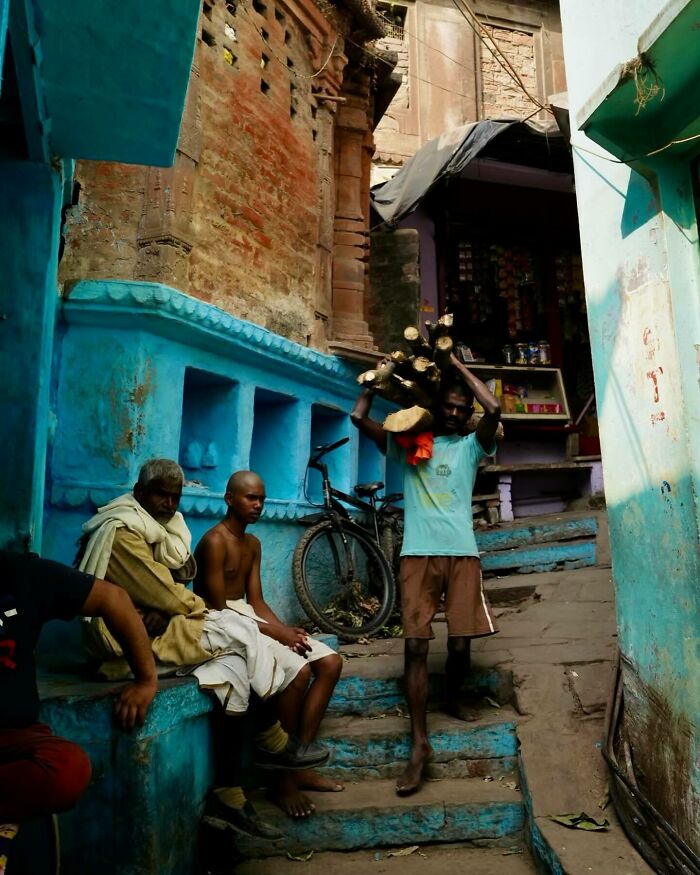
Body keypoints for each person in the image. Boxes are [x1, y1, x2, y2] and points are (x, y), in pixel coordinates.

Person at [78, 458, 328, 839]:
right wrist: (172, 606)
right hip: (123, 642)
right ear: (140, 492)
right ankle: (272, 738)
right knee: (239, 633)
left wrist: (161, 606)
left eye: (175, 496)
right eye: (160, 495)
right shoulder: (124, 531)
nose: (169, 503)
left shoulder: (166, 529)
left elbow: (172, 582)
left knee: (233, 672)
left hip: (162, 627)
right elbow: (167, 591)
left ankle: (228, 795)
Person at [351, 351, 501, 796]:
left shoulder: (474, 445)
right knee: (416, 647)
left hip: (461, 554)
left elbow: (491, 409)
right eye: (448, 406)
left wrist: (454, 363)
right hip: (417, 554)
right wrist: (378, 379)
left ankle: (453, 696)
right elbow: (359, 417)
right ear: (436, 408)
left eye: (461, 408)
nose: (455, 413)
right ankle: (419, 744)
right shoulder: (412, 443)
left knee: (460, 642)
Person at [195, 471, 344, 819]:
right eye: (250, 498)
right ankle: (282, 782)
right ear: (230, 499)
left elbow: (257, 601)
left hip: (249, 619)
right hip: (224, 625)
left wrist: (284, 629)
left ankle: (297, 762)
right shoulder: (214, 541)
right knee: (300, 671)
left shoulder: (253, 544)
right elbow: (218, 609)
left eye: (261, 498)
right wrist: (275, 635)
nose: (258, 504)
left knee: (331, 662)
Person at [0, 548, 158, 869]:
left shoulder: (19, 574)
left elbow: (113, 599)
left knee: (68, 769)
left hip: (16, 737)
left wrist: (146, 680)